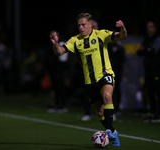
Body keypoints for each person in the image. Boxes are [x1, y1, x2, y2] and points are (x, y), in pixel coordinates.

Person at [50, 13, 127, 146]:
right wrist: (55, 44)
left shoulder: (101, 34)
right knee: (99, 113)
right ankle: (113, 132)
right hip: (90, 81)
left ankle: (108, 130)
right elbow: (60, 52)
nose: (81, 27)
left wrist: (123, 28)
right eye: (79, 25)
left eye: (83, 24)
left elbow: (122, 36)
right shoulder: (75, 40)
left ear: (90, 24)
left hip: (105, 75)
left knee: (107, 97)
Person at [136, 21, 160, 123]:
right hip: (148, 70)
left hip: (157, 70)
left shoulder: (158, 39)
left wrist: (147, 51)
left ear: (155, 28)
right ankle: (152, 114)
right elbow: (139, 52)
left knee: (158, 92)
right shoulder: (146, 39)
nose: (149, 28)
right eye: (148, 27)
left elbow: (153, 51)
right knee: (150, 92)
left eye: (151, 27)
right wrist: (146, 50)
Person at [81, 19, 99, 121]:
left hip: (102, 72)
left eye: (95, 25)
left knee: (106, 93)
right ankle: (87, 113)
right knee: (88, 94)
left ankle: (110, 113)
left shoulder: (102, 37)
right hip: (89, 72)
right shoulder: (83, 40)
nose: (94, 27)